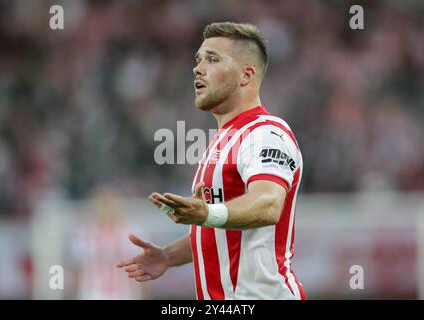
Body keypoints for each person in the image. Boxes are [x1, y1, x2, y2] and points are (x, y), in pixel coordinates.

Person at [117, 21, 306, 300]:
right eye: (198, 59)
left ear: (246, 75)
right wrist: (167, 257)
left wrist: (206, 214)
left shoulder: (265, 132)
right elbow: (222, 233)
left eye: (212, 59)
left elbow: (269, 204)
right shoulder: (219, 142)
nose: (197, 68)